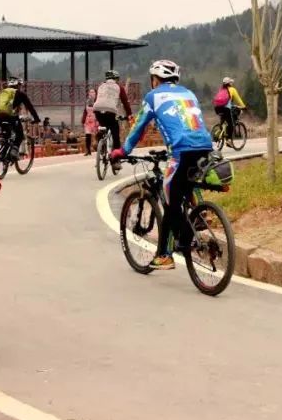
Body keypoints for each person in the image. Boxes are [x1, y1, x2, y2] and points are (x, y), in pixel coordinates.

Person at [110, 59, 214, 270]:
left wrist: (123, 151)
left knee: (169, 197)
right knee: (181, 188)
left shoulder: (153, 97)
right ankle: (198, 215)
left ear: (155, 79)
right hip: (205, 146)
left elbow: (139, 127)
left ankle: (180, 245)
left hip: (181, 150)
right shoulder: (189, 93)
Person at [0, 78, 41, 148]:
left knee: (6, 135)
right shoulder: (20, 93)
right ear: (18, 85)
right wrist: (36, 119)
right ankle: (14, 151)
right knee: (19, 135)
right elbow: (30, 107)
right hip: (10, 116)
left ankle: (2, 153)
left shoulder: (2, 92)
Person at [92, 69, 133, 149]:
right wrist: (129, 115)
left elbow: (96, 99)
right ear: (116, 79)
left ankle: (99, 139)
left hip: (97, 110)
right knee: (115, 130)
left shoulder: (101, 86)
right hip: (110, 112)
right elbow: (125, 103)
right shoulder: (119, 87)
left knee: (103, 125)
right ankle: (116, 155)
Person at [211, 76, 246, 140]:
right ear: (229, 83)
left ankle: (217, 134)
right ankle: (228, 140)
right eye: (231, 82)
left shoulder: (221, 90)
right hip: (225, 109)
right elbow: (238, 100)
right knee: (231, 124)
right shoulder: (232, 89)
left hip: (217, 108)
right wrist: (244, 106)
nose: (232, 84)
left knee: (223, 121)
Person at [81, 88, 98, 156]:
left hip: (96, 119)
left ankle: (100, 148)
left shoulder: (98, 101)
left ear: (95, 93)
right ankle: (88, 150)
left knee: (98, 134)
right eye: (90, 92)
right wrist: (83, 120)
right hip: (88, 120)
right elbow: (85, 111)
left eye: (93, 92)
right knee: (88, 135)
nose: (91, 93)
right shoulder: (87, 101)